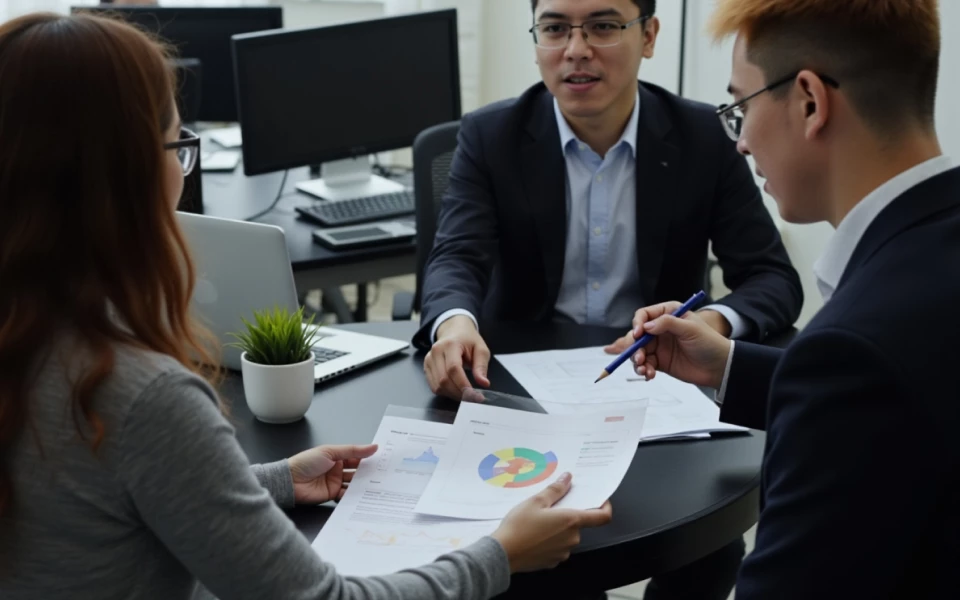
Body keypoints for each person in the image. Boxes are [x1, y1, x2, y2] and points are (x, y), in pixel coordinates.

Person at [0, 13, 613, 599]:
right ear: (130, 170)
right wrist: (500, 555)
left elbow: (104, 491)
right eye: (176, 145)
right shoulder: (141, 395)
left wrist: (271, 480)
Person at [417, 0, 800, 598]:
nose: (575, 49)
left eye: (601, 26)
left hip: (656, 398)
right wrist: (454, 324)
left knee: (707, 542)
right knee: (544, 570)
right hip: (525, 406)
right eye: (554, 28)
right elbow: (455, 258)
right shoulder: (492, 135)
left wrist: (711, 319)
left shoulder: (702, 134)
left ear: (649, 35)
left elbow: (772, 278)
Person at [626, 0, 959, 597]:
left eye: (741, 108)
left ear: (810, 101)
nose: (742, 143)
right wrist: (728, 368)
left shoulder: (855, 345)